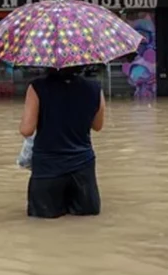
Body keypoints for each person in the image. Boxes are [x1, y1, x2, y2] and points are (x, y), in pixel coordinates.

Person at [19, 66, 106, 218]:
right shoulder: (94, 88)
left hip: (47, 169)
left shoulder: (37, 87)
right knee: (84, 223)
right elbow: (97, 126)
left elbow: (27, 130)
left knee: (43, 226)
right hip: (83, 168)